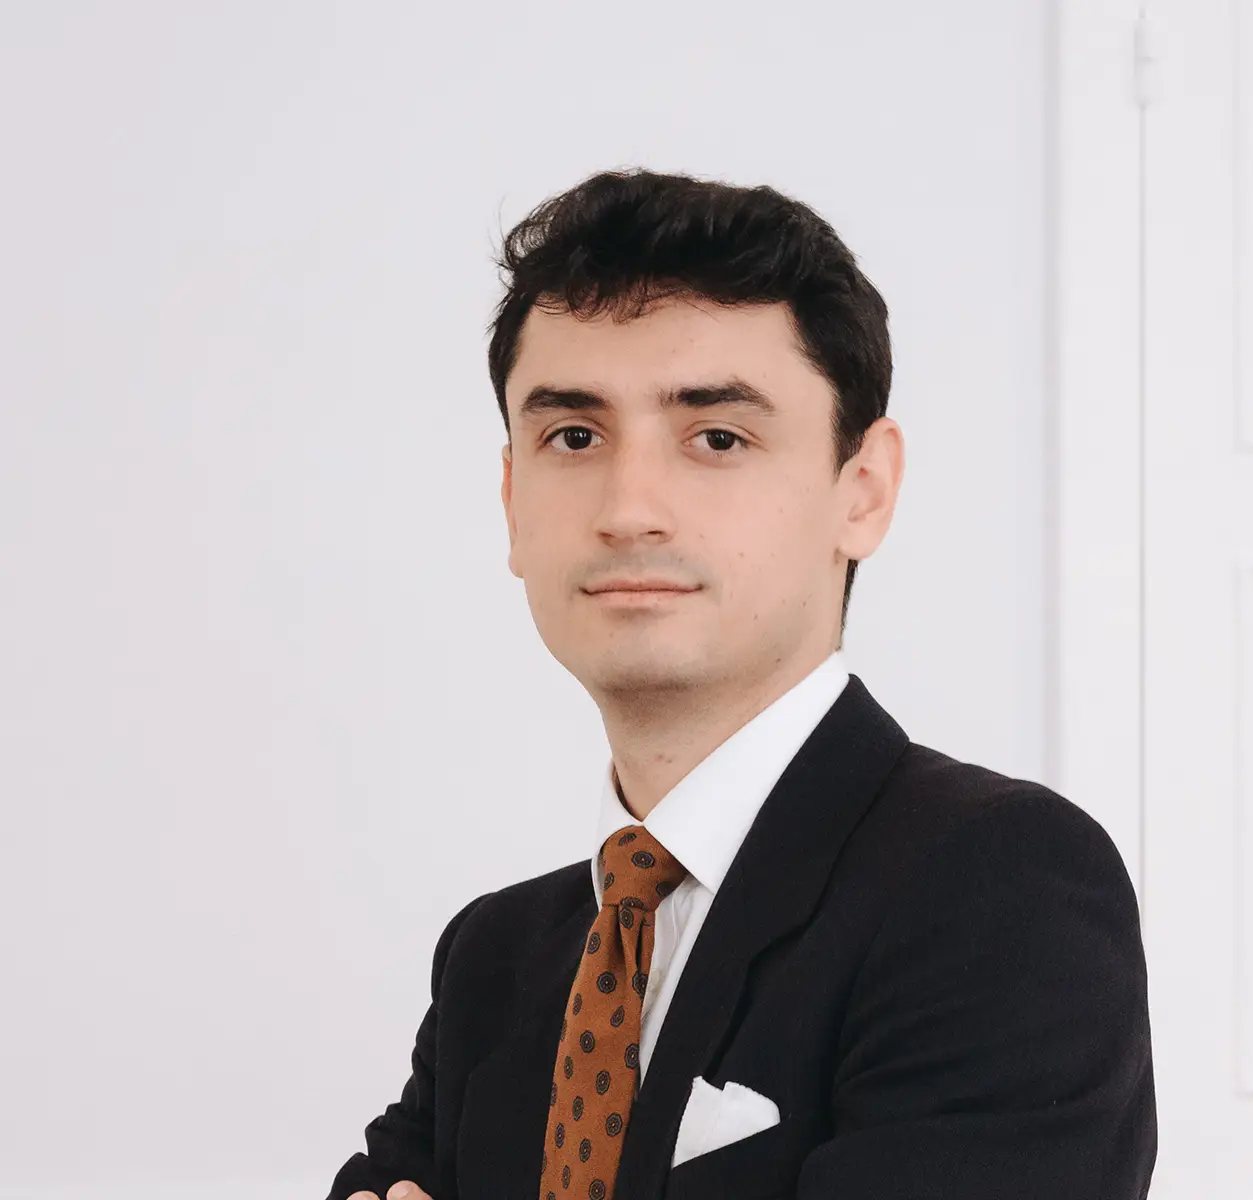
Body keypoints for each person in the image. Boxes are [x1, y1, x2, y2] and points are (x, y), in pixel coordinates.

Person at [328, 168, 1157, 1200]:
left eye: (717, 438)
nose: (629, 508)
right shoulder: (491, 961)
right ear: (511, 500)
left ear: (863, 491)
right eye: (573, 437)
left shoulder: (1001, 888)